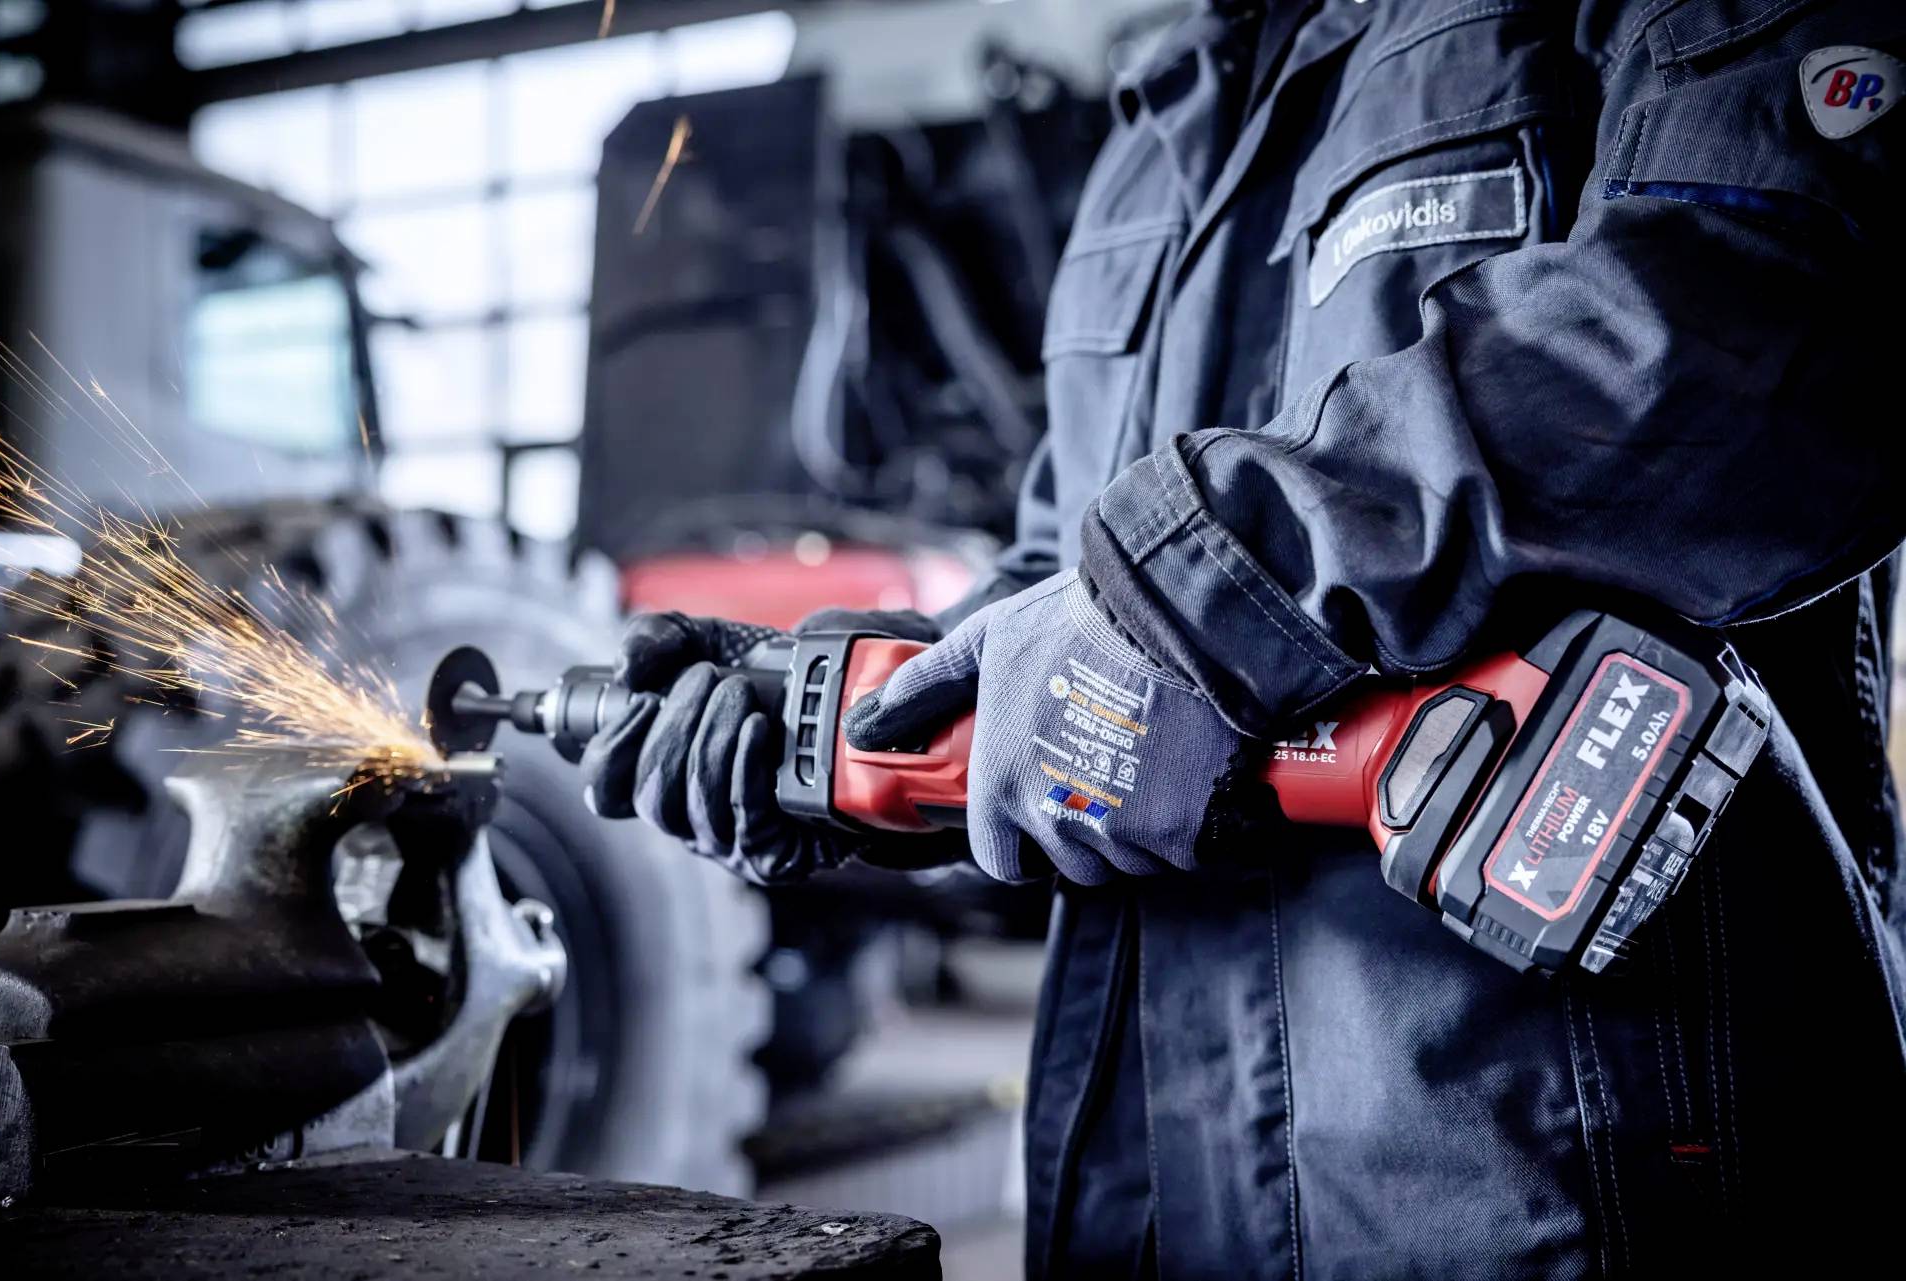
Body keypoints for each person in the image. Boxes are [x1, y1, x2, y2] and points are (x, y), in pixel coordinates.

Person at [584, 1, 1906, 1274]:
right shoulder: (1154, 133)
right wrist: (860, 731)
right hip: (1150, 1198)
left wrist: (1195, 600)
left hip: (1565, 1192)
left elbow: (1768, 309)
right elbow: (1077, 593)